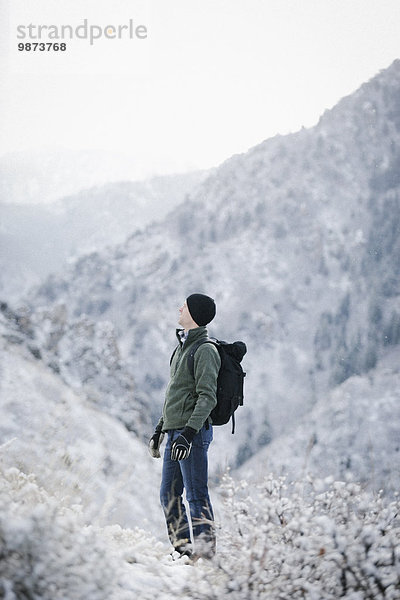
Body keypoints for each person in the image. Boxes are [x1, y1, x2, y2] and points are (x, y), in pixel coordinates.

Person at [148, 293, 221, 560]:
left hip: (192, 435)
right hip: (174, 433)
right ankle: (184, 551)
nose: (180, 307)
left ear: (195, 314)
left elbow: (207, 397)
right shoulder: (181, 348)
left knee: (196, 495)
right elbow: (174, 395)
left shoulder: (205, 350)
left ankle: (205, 558)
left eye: (185, 305)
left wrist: (188, 435)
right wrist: (159, 430)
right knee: (168, 494)